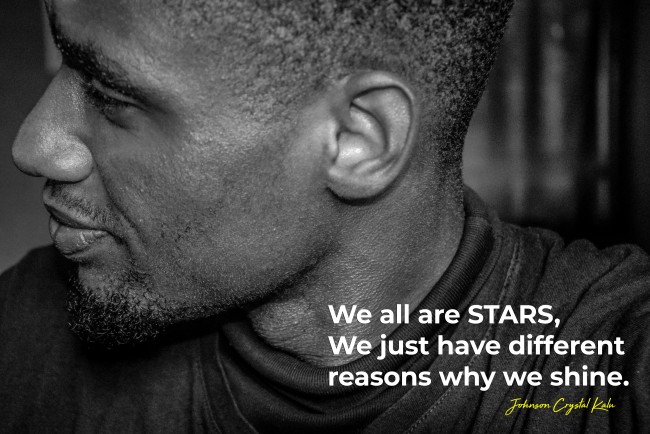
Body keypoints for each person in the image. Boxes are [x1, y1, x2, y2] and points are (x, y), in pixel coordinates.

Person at [1, 0, 648, 432]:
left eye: (111, 97)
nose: (33, 146)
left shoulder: (611, 373)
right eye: (64, 63)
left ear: (356, 142)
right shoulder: (23, 331)